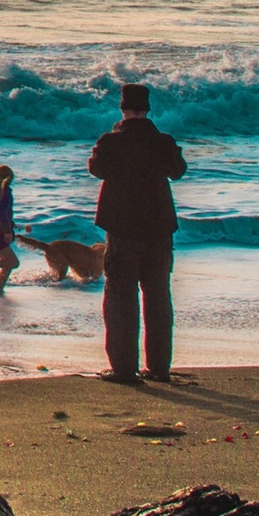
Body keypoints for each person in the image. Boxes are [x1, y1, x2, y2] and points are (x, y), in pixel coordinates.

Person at [89, 82, 188, 383]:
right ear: (147, 109)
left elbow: (96, 168)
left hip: (122, 226)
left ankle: (123, 367)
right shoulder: (162, 141)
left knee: (120, 296)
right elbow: (178, 170)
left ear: (122, 108)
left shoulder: (112, 141)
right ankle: (158, 367)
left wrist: (116, 133)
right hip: (159, 227)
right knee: (158, 295)